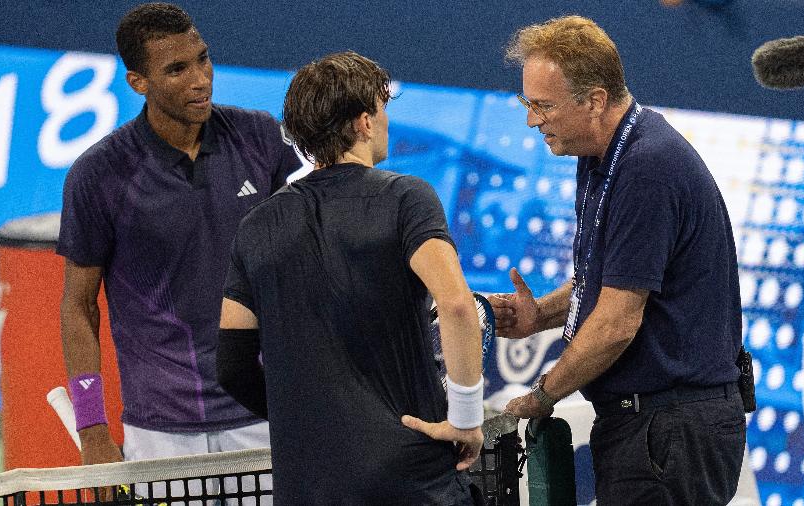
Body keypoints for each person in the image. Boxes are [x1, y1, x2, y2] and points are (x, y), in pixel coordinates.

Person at [491, 16, 746, 505]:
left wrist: (544, 394)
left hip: (671, 431)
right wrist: (539, 315)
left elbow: (615, 324)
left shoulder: (646, 167)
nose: (531, 120)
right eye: (527, 103)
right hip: (655, 427)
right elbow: (608, 282)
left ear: (595, 100)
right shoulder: (604, 153)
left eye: (542, 106)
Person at [217, 51, 484, 505]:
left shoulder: (256, 225)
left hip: (307, 484)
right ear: (363, 122)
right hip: (410, 478)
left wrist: (308, 423)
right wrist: (465, 417)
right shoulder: (407, 198)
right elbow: (458, 307)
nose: (385, 121)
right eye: (382, 109)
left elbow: (233, 366)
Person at [57, 2, 301, 467]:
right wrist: (91, 427)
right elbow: (78, 305)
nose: (200, 78)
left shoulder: (261, 138)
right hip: (160, 431)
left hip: (263, 413)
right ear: (138, 82)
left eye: (203, 59)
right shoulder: (98, 175)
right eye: (177, 69)